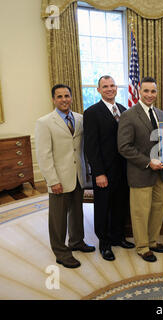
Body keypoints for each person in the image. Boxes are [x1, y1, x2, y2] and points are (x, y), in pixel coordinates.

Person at [35, 84, 95, 269]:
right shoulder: (44, 122)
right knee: (58, 218)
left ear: (71, 97)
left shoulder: (80, 119)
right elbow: (44, 155)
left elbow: (82, 148)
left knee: (77, 212)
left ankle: (77, 241)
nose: (64, 99)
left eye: (67, 96)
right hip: (59, 178)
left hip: (77, 175)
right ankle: (61, 252)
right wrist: (53, 180)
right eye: (59, 96)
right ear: (53, 99)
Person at [83, 75, 134, 262]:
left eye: (112, 85)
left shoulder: (123, 110)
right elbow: (90, 146)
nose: (110, 89)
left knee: (120, 205)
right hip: (104, 172)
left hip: (123, 170)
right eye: (105, 86)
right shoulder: (92, 112)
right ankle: (104, 244)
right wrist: (98, 173)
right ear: (98, 90)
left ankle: (118, 237)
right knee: (103, 208)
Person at [117, 77, 163, 263]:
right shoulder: (129, 115)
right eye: (146, 91)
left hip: (160, 172)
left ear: (156, 92)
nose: (149, 95)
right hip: (141, 171)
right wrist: (148, 162)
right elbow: (124, 147)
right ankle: (142, 247)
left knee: (158, 209)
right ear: (139, 91)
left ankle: (153, 241)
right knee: (140, 212)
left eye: (153, 91)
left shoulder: (161, 114)